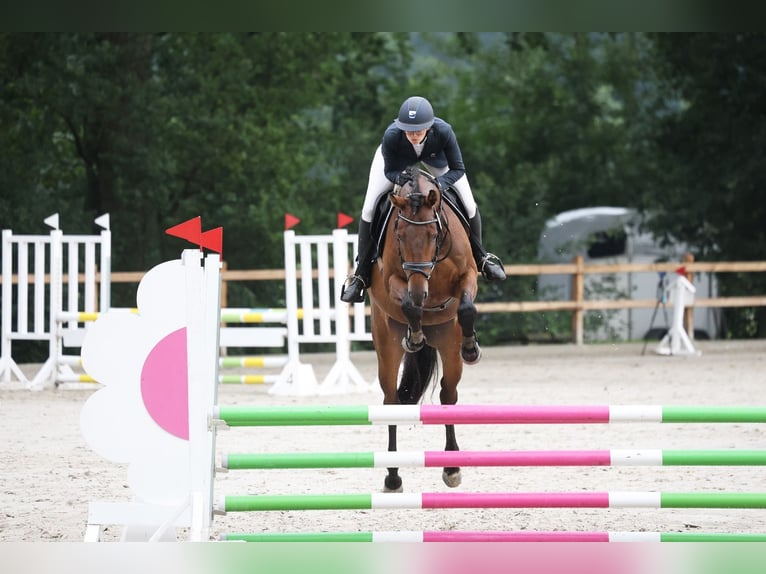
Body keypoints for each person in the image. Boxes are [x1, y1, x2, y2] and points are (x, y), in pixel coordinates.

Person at [340, 95, 506, 303]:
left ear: (429, 127)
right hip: (398, 163)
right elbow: (390, 170)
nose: (413, 135)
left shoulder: (444, 131)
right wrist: (399, 178)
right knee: (368, 209)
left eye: (418, 131)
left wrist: (440, 184)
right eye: (409, 131)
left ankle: (482, 257)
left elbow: (458, 169)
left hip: (436, 160)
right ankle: (361, 275)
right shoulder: (392, 135)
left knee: (470, 205)